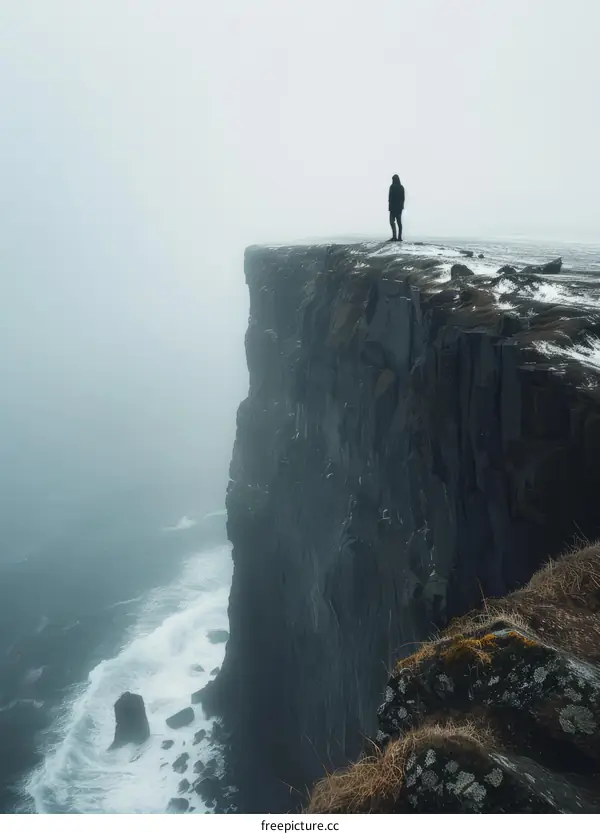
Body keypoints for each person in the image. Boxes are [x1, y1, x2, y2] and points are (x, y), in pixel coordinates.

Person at [388, 174, 405, 242]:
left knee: (393, 222)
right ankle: (398, 237)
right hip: (398, 208)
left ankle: (395, 237)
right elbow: (403, 199)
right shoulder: (401, 187)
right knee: (398, 223)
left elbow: (390, 198)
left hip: (394, 208)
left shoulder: (392, 187)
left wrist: (390, 207)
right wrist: (401, 207)